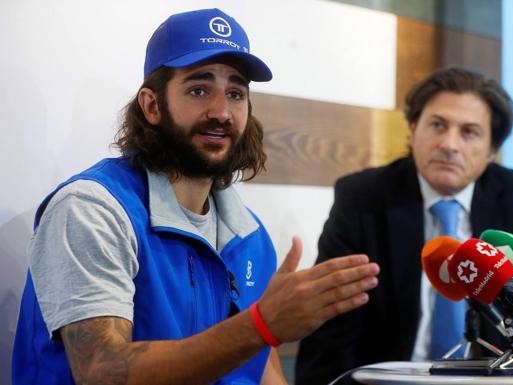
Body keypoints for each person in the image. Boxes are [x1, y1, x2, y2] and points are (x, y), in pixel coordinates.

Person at [12, 8, 380, 385]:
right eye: (199, 89)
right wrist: (262, 325)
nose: (221, 112)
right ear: (151, 105)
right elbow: (103, 371)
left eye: (235, 93)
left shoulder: (249, 234)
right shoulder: (92, 209)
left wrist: (263, 329)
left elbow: (262, 367)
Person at [295, 67, 513, 384]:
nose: (449, 144)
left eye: (469, 132)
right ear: (411, 130)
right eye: (437, 125)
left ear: (491, 150)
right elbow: (332, 331)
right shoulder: (363, 198)